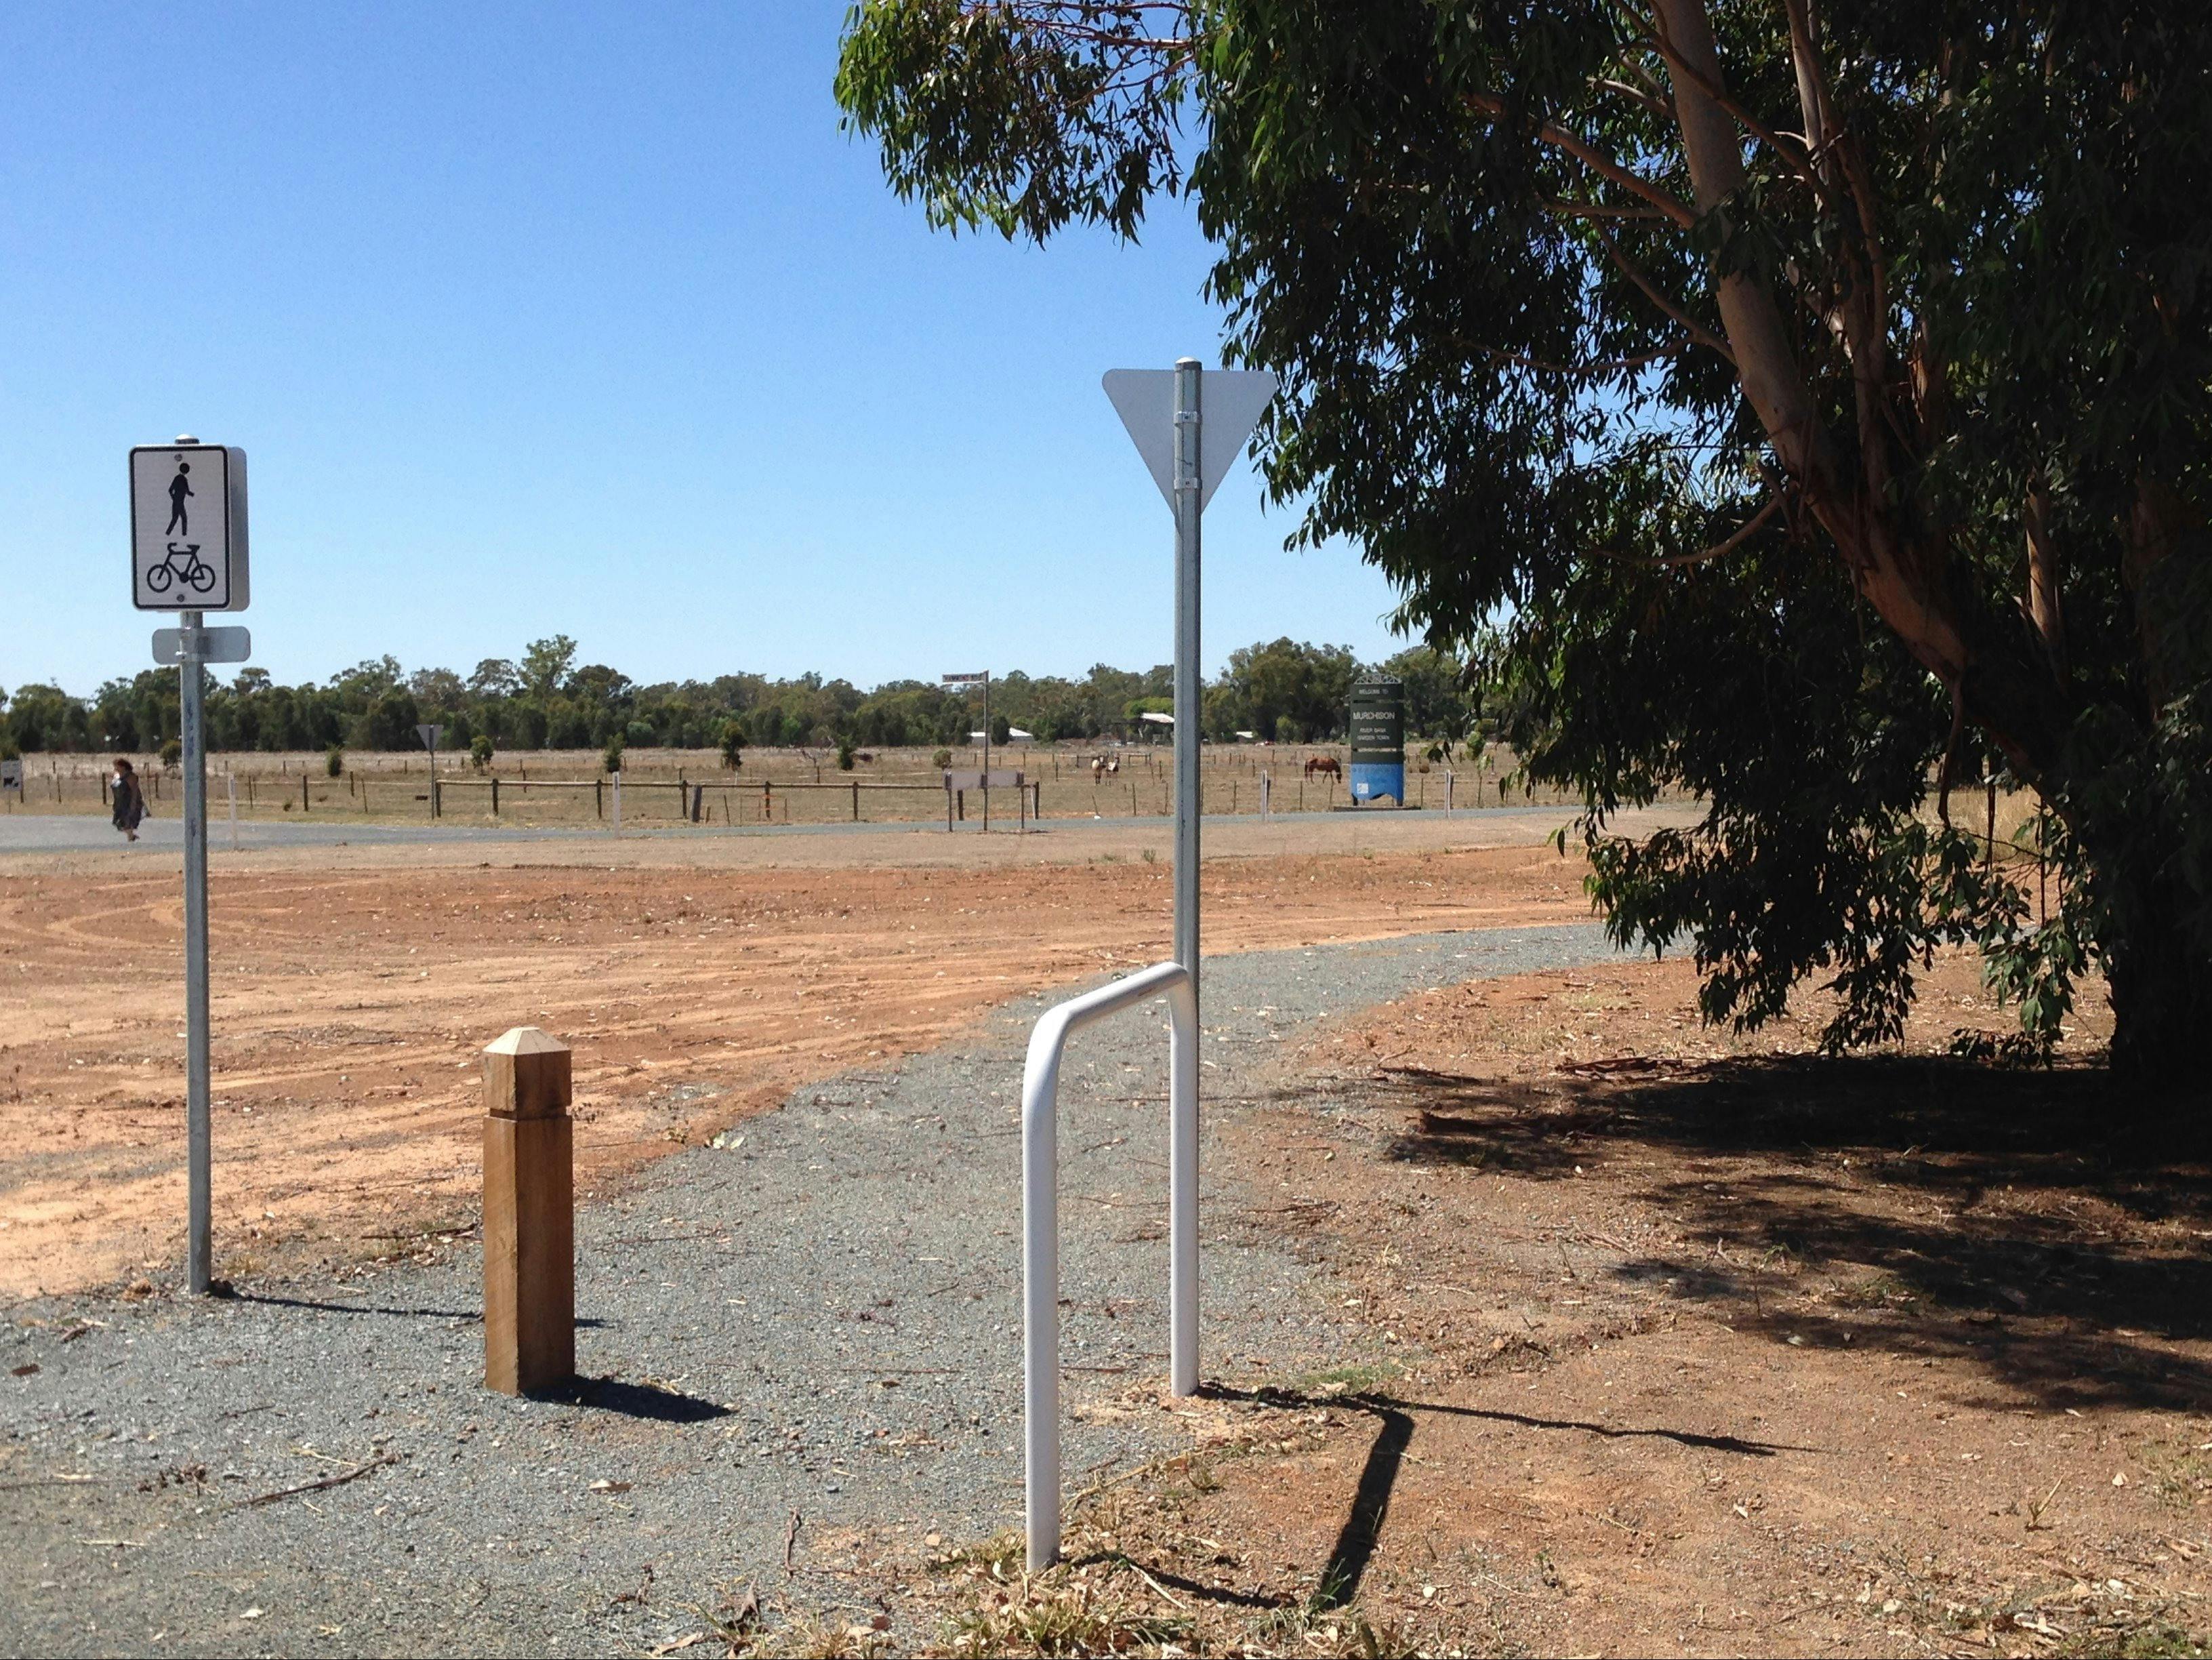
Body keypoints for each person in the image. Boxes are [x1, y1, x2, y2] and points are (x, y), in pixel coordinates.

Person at [110, 758, 145, 843]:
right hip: (120, 802)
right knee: (119, 822)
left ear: (123, 767)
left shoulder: (130, 777)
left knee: (128, 821)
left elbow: (135, 791)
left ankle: (131, 839)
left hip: (129, 802)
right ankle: (131, 836)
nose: (115, 768)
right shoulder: (116, 776)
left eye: (117, 766)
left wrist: (133, 804)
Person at [165, 461, 192, 535]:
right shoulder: (182, 479)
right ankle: (184, 535)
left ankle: (168, 533)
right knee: (184, 518)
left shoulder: (178, 478)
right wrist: (175, 499)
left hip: (177, 502)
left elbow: (171, 490)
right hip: (179, 502)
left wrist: (174, 499)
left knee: (175, 519)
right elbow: (186, 491)